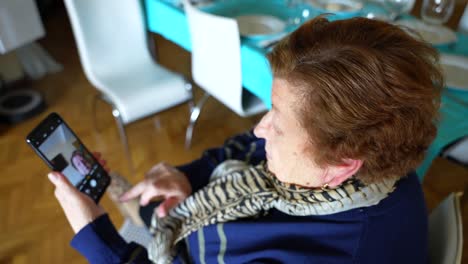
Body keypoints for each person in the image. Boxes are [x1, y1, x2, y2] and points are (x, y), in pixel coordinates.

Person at [47, 16, 442, 263]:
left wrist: (95, 235)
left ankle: (132, 211)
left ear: (342, 164)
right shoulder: (361, 161)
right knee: (155, 205)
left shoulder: (328, 250)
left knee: (137, 216)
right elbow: (246, 147)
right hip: (199, 220)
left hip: (189, 249)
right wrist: (190, 175)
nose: (260, 128)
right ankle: (141, 207)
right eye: (269, 108)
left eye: (279, 123)